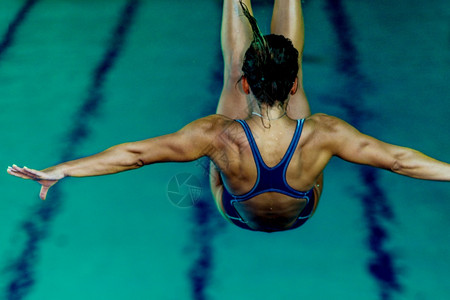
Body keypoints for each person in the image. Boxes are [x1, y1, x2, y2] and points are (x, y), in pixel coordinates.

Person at [7, 0, 450, 233]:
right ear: (294, 85)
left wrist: (63, 170)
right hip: (303, 208)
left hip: (238, 209)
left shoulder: (217, 135)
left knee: (235, 76)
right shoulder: (325, 132)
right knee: (303, 128)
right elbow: (398, 160)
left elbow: (135, 154)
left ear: (246, 86)